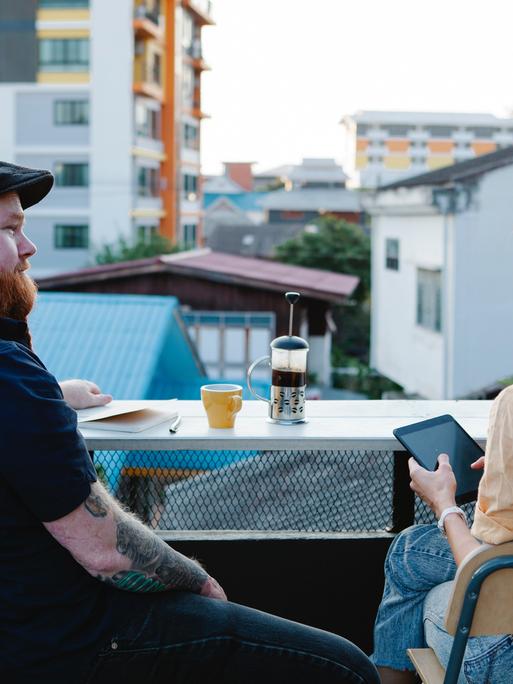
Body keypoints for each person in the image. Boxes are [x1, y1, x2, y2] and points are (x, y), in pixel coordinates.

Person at [0, 161, 379, 684]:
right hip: (65, 639)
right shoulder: (11, 379)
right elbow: (106, 552)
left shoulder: (20, 390)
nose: (28, 248)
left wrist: (53, 396)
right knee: (345, 668)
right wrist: (197, 580)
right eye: (10, 229)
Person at [372, 386, 513, 683]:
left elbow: (487, 574)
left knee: (421, 576)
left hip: (500, 651)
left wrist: (444, 505)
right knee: (410, 550)